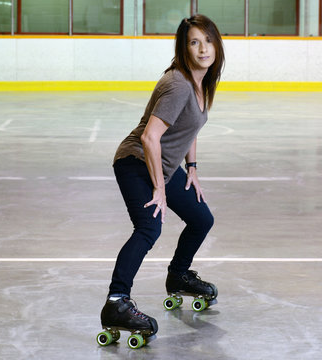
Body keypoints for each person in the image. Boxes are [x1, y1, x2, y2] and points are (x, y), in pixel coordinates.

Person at [100, 14, 225, 339]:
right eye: (194, 42)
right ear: (183, 49)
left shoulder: (200, 82)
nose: (203, 49)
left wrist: (192, 169)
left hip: (163, 166)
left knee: (201, 219)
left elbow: (192, 127)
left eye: (207, 41)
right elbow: (149, 137)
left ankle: (179, 277)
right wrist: (159, 188)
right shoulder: (178, 84)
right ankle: (117, 300)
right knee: (148, 227)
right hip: (135, 162)